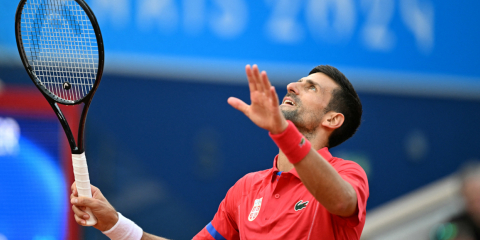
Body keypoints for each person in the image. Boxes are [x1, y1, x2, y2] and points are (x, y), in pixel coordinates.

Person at [71, 64, 369, 240]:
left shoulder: (348, 175)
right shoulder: (246, 190)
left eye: (311, 88)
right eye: (299, 81)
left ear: (332, 119)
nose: (292, 86)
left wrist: (282, 131)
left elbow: (341, 200)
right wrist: (113, 224)